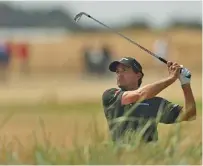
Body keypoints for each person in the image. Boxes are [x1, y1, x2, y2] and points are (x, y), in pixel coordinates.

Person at [102, 57, 196, 144]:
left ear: (138, 75)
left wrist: (185, 83)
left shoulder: (153, 102)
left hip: (148, 159)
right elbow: (140, 94)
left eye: (124, 70)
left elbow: (189, 114)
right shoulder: (110, 95)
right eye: (117, 71)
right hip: (122, 159)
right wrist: (171, 78)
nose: (119, 74)